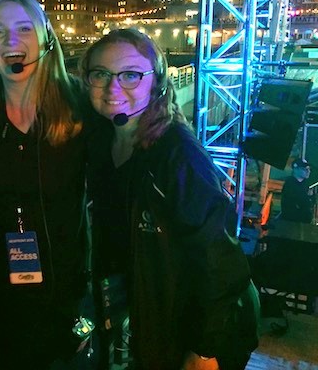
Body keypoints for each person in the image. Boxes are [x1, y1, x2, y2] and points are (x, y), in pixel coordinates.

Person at [82, 28, 259, 370]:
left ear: (157, 82)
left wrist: (205, 349)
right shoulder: (103, 140)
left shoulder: (178, 155)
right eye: (100, 74)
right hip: (132, 314)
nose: (113, 87)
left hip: (178, 328)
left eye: (130, 75)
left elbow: (220, 260)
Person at [0, 0, 91, 368]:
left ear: (46, 36)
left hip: (65, 295)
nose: (11, 41)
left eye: (23, 28)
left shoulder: (82, 108)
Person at [280, 157, 314, 224]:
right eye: (304, 169)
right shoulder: (289, 184)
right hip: (291, 223)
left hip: (304, 223)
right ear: (295, 169)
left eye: (309, 169)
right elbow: (296, 203)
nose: (308, 171)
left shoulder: (306, 185)